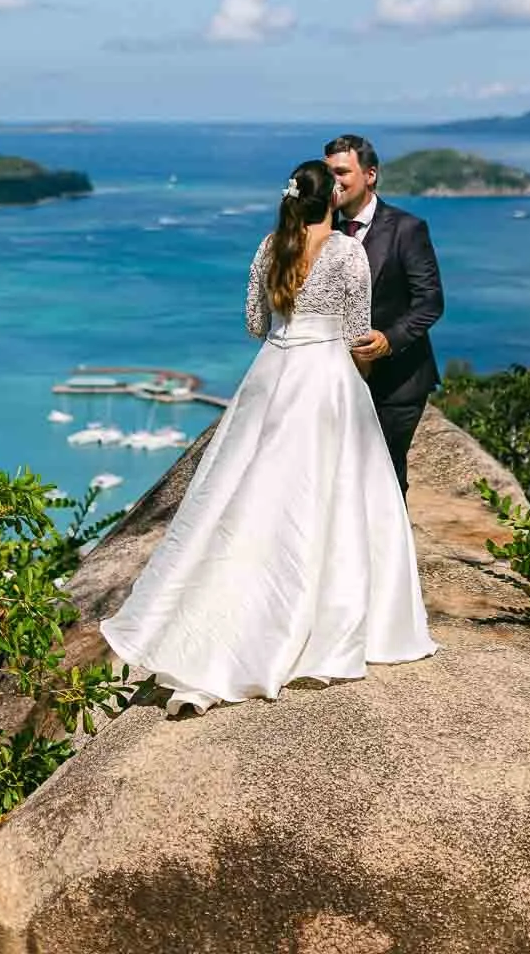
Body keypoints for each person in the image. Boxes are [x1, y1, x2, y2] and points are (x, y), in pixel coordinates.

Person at [99, 158, 436, 715]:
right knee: (327, 498)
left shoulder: (267, 247)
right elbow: (357, 332)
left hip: (272, 373)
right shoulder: (348, 251)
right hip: (325, 378)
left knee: (245, 498)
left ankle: (211, 624)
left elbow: (256, 323)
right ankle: (303, 623)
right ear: (331, 198)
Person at [325, 133, 444, 496]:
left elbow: (430, 302)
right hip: (334, 380)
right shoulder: (319, 230)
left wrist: (388, 340)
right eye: (328, 172)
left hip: (397, 383)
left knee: (386, 480)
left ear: (370, 175)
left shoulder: (407, 229)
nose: (334, 182)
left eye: (342, 172)